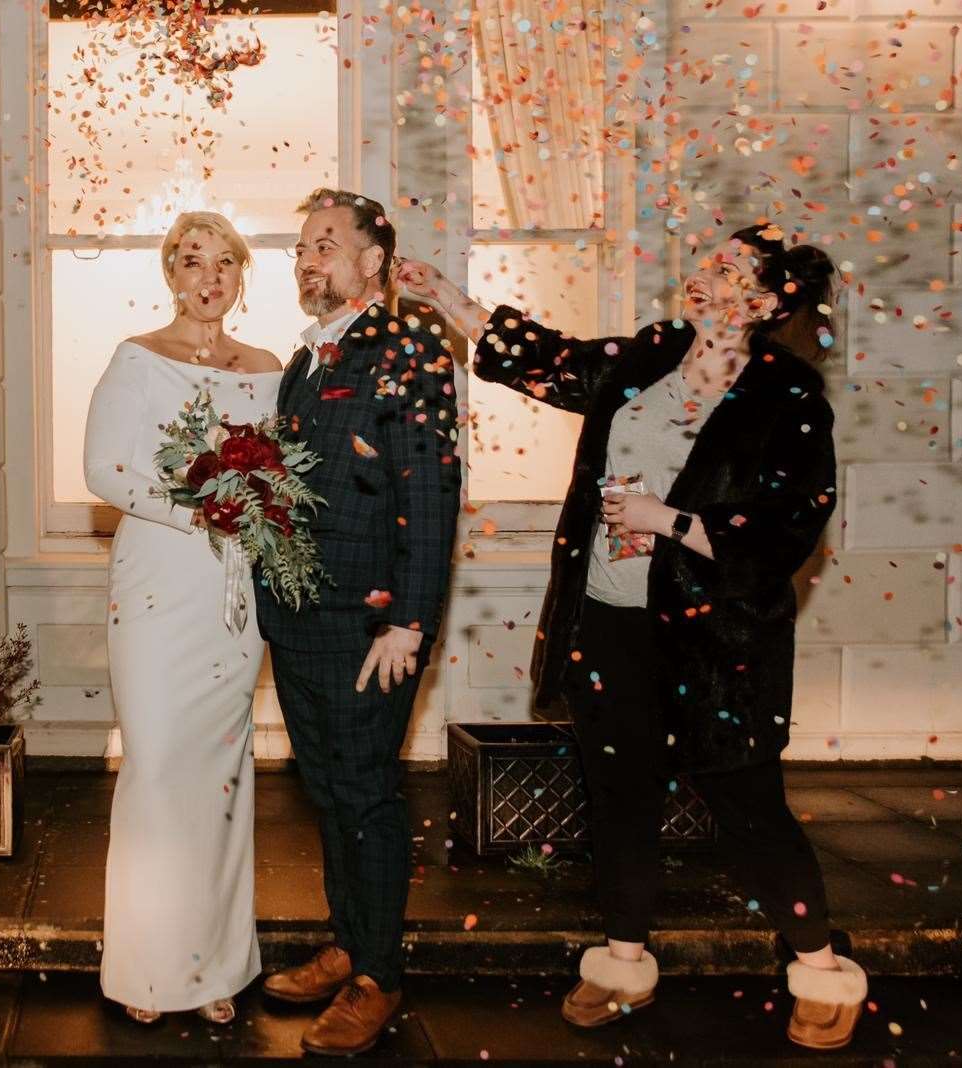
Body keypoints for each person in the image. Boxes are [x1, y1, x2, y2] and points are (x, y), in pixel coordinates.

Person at [396, 227, 869, 1052]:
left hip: (717, 643)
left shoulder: (788, 398)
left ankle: (822, 967)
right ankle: (622, 961)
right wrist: (445, 296)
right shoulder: (653, 353)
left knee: (748, 805)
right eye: (706, 256)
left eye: (727, 268)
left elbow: (790, 528)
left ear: (764, 303)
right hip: (609, 624)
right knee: (620, 796)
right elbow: (551, 359)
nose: (702, 272)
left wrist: (670, 521)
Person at [255, 189, 462, 1057]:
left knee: (369, 795)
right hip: (298, 615)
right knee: (330, 790)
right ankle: (349, 944)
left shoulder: (409, 345)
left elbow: (432, 487)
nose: (309, 259)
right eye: (303, 246)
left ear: (374, 260)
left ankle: (379, 975)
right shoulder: (308, 357)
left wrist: (409, 622)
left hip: (371, 621)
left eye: (327, 245)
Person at [83, 211, 282, 1027]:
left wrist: (257, 503)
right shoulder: (138, 359)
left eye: (225, 263)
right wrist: (200, 506)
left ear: (240, 277)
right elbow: (102, 469)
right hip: (159, 584)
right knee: (158, 770)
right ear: (171, 274)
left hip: (234, 595)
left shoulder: (268, 368)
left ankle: (214, 973)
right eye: (193, 262)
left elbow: (283, 477)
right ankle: (147, 970)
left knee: (221, 781)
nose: (209, 277)